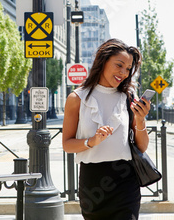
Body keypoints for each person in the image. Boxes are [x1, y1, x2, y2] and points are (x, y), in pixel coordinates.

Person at [62, 38, 151, 220]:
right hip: (92, 183)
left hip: (126, 179)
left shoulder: (128, 97)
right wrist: (91, 141)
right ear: (102, 61)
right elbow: (67, 145)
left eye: (128, 69)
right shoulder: (77, 98)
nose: (124, 73)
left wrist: (140, 120)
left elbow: (142, 147)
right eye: (119, 65)